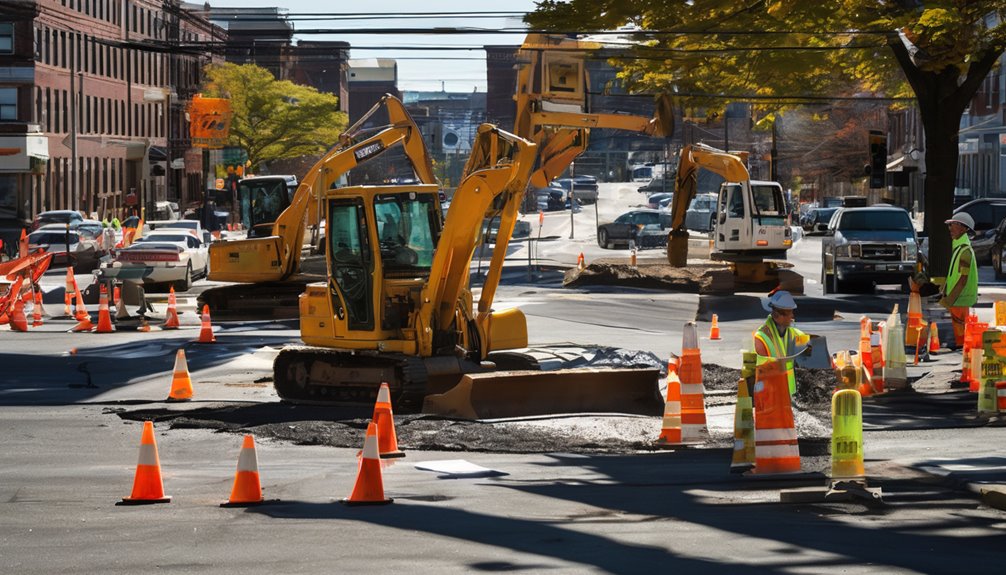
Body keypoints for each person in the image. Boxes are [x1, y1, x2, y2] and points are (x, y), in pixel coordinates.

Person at [753, 290, 810, 396]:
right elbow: (765, 369)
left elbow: (812, 351)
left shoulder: (794, 333)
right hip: (768, 395)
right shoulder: (762, 337)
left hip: (789, 395)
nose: (792, 316)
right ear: (777, 315)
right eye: (789, 313)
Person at [941, 212, 978, 349]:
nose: (950, 228)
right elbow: (954, 276)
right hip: (958, 299)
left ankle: (965, 360)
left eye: (953, 225)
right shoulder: (960, 249)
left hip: (960, 299)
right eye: (950, 225)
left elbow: (962, 280)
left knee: (962, 340)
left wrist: (949, 299)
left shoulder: (965, 252)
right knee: (961, 338)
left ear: (963, 228)